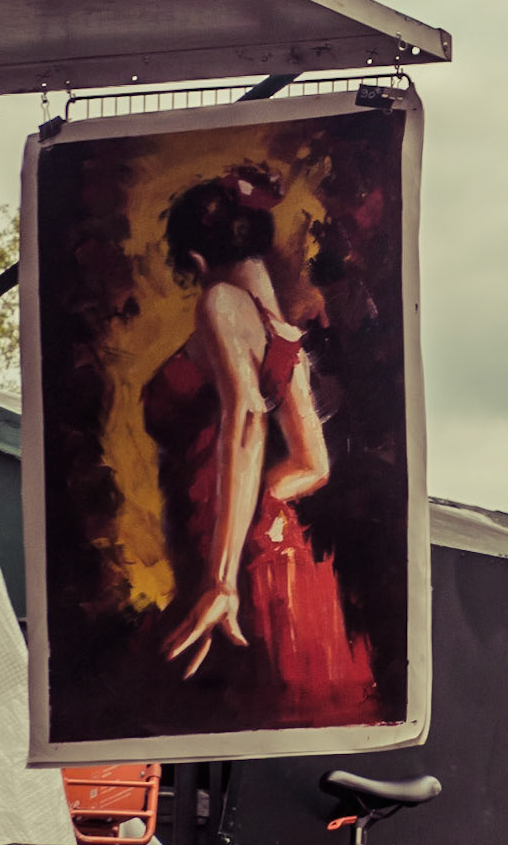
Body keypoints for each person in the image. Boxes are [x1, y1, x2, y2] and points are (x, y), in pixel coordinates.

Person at [143, 166, 377, 725]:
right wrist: (265, 505)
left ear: (197, 262)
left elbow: (247, 419)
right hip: (261, 534)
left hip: (225, 547)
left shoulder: (220, 302)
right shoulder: (280, 333)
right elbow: (311, 465)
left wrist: (222, 574)